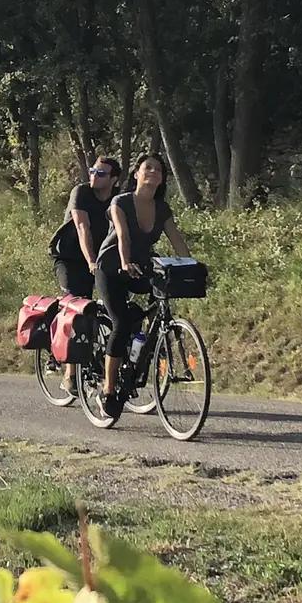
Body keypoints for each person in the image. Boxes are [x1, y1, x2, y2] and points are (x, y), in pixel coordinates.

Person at [94, 151, 191, 419]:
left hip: (141, 265)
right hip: (112, 266)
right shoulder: (120, 202)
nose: (153, 172)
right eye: (147, 168)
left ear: (161, 180)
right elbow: (123, 236)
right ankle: (109, 390)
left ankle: (139, 356)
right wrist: (125, 262)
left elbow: (177, 241)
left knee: (154, 308)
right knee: (121, 323)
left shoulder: (162, 209)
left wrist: (193, 266)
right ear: (136, 174)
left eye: (158, 170)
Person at [48, 155, 120, 386]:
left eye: (101, 173)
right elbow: (82, 228)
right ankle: (69, 372)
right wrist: (91, 261)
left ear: (114, 179)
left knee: (107, 309)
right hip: (70, 257)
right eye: (92, 171)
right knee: (77, 305)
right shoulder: (81, 193)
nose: (94, 176)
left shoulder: (117, 200)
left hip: (101, 258)